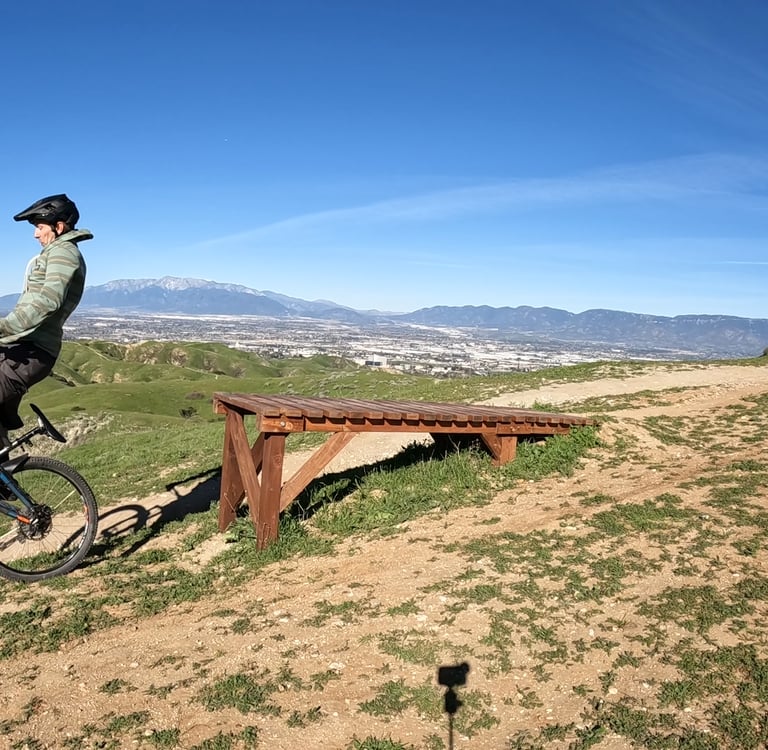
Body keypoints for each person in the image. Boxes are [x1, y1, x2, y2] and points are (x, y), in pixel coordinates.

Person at [0, 194, 92, 446]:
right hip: (22, 349)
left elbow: (47, 302)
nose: (35, 235)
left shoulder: (64, 253)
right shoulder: (56, 253)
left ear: (59, 227)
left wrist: (3, 326)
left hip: (30, 353)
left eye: (39, 227)